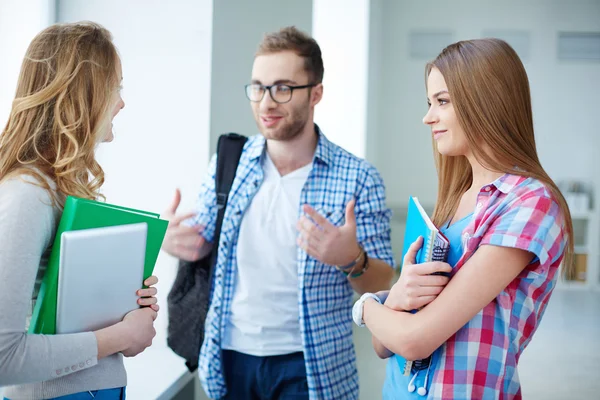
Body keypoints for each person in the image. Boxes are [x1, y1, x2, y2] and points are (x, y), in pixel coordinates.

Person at [162, 26, 395, 400]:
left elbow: (384, 285)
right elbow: (201, 242)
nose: (266, 102)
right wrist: (173, 241)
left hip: (311, 365)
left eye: (283, 88)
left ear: (315, 93)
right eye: (258, 87)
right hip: (230, 357)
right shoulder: (229, 163)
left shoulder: (358, 177)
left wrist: (351, 259)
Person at [352, 38, 574, 400]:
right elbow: (383, 346)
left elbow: (415, 339)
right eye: (429, 103)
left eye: (442, 101)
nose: (428, 117)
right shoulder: (453, 201)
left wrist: (366, 306)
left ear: (485, 100)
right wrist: (393, 302)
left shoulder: (531, 203)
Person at [0, 22, 159, 400]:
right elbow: (3, 356)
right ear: (83, 94)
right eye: (115, 88)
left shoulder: (57, 190)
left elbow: (75, 329)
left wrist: (129, 312)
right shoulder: (27, 195)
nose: (120, 103)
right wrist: (119, 335)